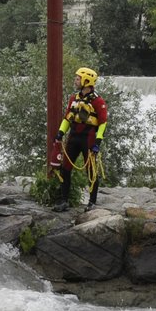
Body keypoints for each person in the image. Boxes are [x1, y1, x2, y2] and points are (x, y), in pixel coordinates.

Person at [52, 66, 108, 209]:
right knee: (65, 168)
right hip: (73, 137)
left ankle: (92, 202)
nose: (75, 81)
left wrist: (98, 141)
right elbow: (67, 118)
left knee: (91, 170)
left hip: (88, 138)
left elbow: (102, 123)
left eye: (78, 79)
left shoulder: (98, 101)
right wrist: (60, 133)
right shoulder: (73, 99)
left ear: (86, 80)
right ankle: (64, 201)